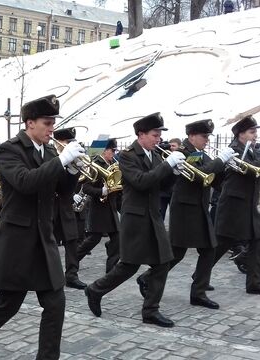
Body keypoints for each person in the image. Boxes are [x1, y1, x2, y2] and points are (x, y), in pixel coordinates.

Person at [0, 95, 82, 359]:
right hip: (18, 240)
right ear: (30, 123)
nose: (52, 128)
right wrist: (61, 162)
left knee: (56, 304)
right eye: (47, 122)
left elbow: (62, 192)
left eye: (53, 122)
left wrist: (72, 171)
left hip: (44, 238)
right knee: (8, 304)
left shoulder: (50, 151)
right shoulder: (10, 149)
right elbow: (25, 182)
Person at [84, 112, 185, 328]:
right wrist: (167, 166)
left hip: (153, 217)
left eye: (159, 135)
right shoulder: (128, 157)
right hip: (136, 218)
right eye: (155, 135)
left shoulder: (155, 156)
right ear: (141, 135)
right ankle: (95, 289)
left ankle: (150, 310)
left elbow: (161, 186)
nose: (158, 139)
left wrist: (173, 173)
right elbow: (141, 182)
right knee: (129, 266)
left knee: (162, 262)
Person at [136, 119, 236, 310]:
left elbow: (213, 178)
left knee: (209, 249)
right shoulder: (183, 153)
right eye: (204, 136)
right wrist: (220, 161)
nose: (207, 140)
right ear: (191, 136)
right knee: (177, 253)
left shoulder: (202, 154)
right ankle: (147, 277)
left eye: (207, 137)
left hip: (200, 207)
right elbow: (201, 174)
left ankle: (198, 292)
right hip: (184, 209)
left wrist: (225, 167)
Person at [213, 115, 260, 296]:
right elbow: (252, 169)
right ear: (240, 134)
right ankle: (200, 276)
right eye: (252, 132)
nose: (256, 135)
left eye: (256, 132)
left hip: (249, 206)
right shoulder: (234, 150)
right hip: (233, 207)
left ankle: (254, 284)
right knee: (220, 246)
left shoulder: (249, 149)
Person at [76, 138, 121, 274]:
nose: (114, 153)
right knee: (93, 239)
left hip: (111, 207)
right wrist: (101, 191)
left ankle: (111, 270)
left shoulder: (115, 163)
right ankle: (72, 260)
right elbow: (86, 188)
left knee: (117, 239)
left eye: (114, 151)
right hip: (99, 208)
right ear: (105, 150)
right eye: (112, 150)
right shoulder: (95, 163)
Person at [52, 127, 86, 289]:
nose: (70, 145)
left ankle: (72, 275)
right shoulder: (51, 156)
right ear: (60, 143)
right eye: (68, 142)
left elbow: (68, 186)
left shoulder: (71, 158)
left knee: (72, 241)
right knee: (45, 242)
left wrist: (73, 171)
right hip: (50, 207)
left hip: (65, 206)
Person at [159, 138, 181, 219]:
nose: (171, 147)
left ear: (179, 147)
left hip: (175, 192)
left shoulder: (182, 157)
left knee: (175, 217)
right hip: (163, 191)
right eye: (170, 145)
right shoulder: (164, 156)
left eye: (173, 146)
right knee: (160, 215)